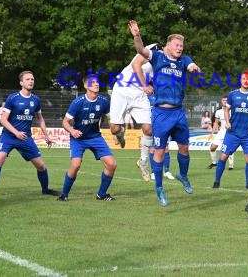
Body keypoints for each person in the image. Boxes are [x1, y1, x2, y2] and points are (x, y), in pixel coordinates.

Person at [128, 19, 200, 207]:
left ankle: (183, 176)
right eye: (176, 45)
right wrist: (137, 36)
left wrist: (193, 68)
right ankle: (159, 188)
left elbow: (191, 66)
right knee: (159, 151)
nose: (180, 48)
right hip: (161, 114)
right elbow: (141, 51)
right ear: (167, 46)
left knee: (184, 149)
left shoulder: (184, 60)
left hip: (179, 113)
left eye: (182, 45)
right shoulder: (158, 57)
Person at [109, 43, 175, 181]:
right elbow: (136, 65)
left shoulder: (169, 65)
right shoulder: (155, 50)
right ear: (167, 45)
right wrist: (145, 85)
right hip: (123, 87)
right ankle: (120, 133)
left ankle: (143, 161)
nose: (177, 50)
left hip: (139, 94)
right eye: (175, 46)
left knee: (149, 129)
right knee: (114, 129)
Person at [0, 71, 60, 197]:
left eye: (32, 79)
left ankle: (45, 190)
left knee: (41, 165)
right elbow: (3, 120)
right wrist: (16, 133)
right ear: (21, 82)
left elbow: (40, 119)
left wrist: (47, 136)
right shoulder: (13, 98)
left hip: (25, 137)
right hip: (9, 135)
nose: (31, 81)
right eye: (27, 79)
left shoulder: (35, 99)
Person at [58, 73, 116, 201]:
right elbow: (65, 122)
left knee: (112, 164)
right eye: (92, 82)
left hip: (95, 137)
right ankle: (64, 195)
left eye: (97, 82)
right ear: (85, 86)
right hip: (78, 139)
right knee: (76, 165)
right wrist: (72, 131)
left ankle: (101, 195)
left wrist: (115, 133)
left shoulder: (104, 101)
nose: (96, 84)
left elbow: (110, 119)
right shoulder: (78, 102)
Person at [212, 73, 248, 189]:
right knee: (224, 156)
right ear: (240, 80)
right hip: (232, 133)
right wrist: (227, 122)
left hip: (247, 134)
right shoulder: (232, 95)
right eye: (244, 78)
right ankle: (216, 181)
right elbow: (226, 109)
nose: (246, 81)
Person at [207, 96, 234, 170]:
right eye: (223, 100)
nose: (225, 101)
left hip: (230, 132)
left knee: (229, 149)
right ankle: (214, 163)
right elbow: (216, 123)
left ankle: (231, 165)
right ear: (221, 101)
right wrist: (212, 133)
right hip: (221, 132)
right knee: (212, 148)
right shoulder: (218, 112)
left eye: (226, 100)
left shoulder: (232, 110)